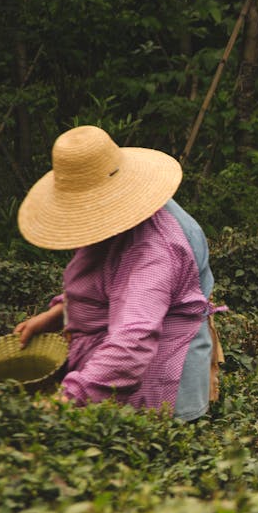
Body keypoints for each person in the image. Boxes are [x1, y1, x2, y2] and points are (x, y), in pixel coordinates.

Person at [14, 125, 215, 422]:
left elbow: (131, 343)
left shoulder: (151, 251)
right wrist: (56, 315)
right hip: (120, 368)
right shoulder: (127, 218)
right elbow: (106, 279)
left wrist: (65, 401)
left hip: (158, 388)